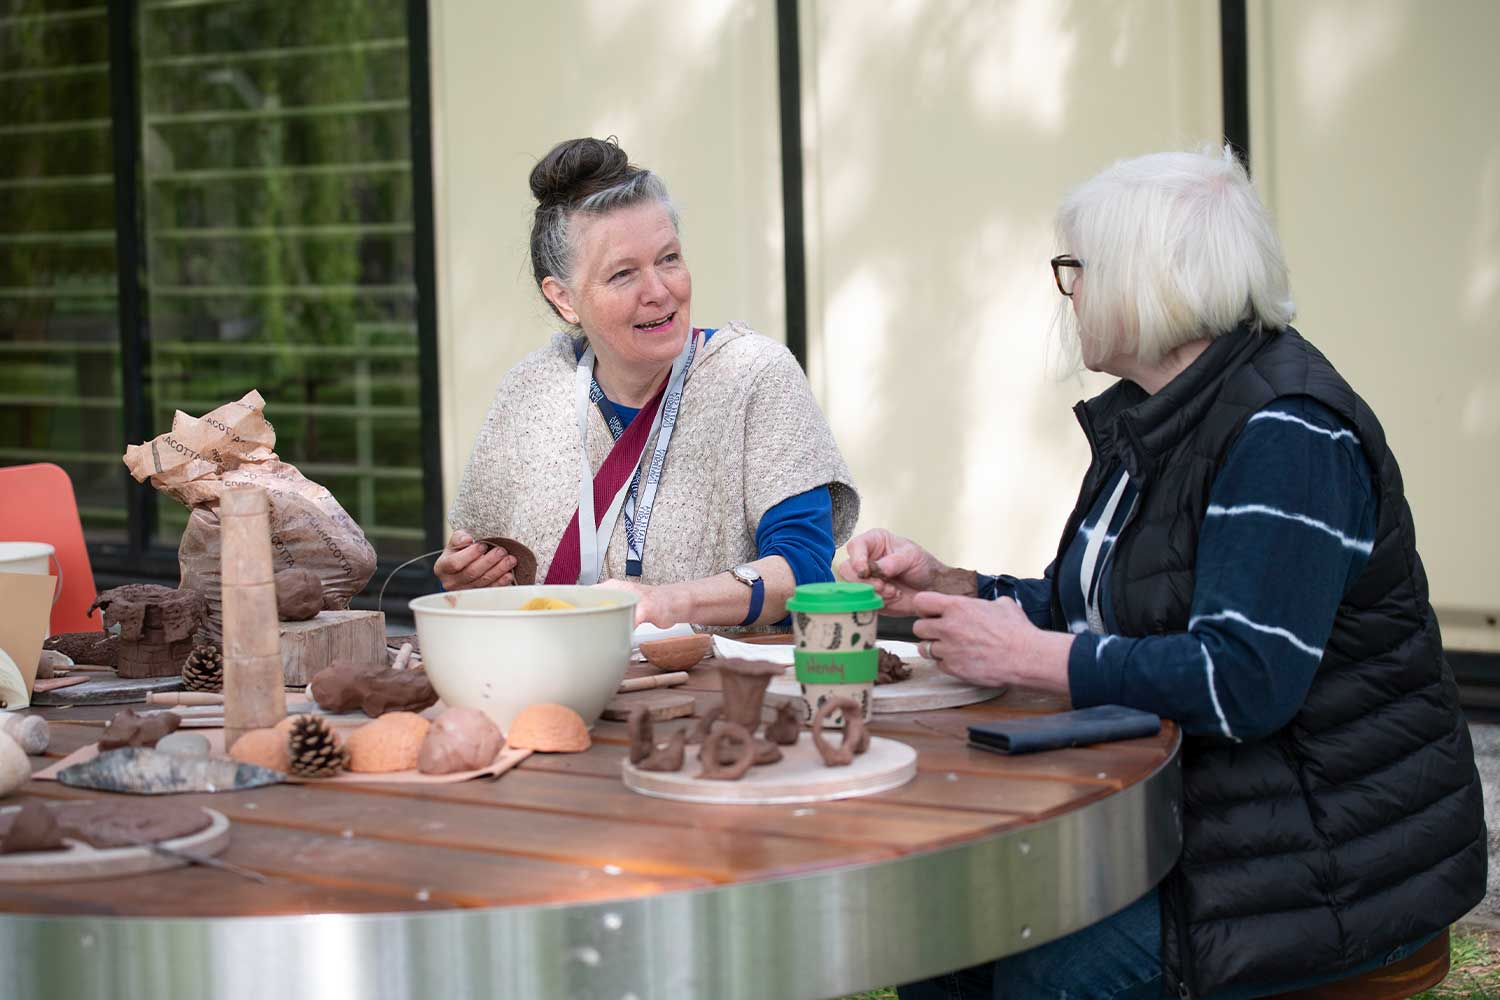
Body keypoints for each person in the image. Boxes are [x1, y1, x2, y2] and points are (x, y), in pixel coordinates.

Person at [841, 147, 1485, 999]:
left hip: (1316, 869)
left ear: (1155, 283)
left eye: (1080, 269)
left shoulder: (1287, 432)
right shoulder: (1164, 414)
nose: (1068, 293)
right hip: (1204, 825)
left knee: (1042, 970)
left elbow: (1243, 679)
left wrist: (1032, 659)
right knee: (948, 927)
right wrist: (950, 588)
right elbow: (1101, 613)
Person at [440, 137, 858, 627]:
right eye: (623, 274)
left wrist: (668, 603)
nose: (660, 292)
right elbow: (493, 571)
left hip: (718, 689)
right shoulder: (530, 390)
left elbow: (803, 572)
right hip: (556, 684)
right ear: (563, 299)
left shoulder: (753, 376)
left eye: (669, 259)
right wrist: (474, 582)